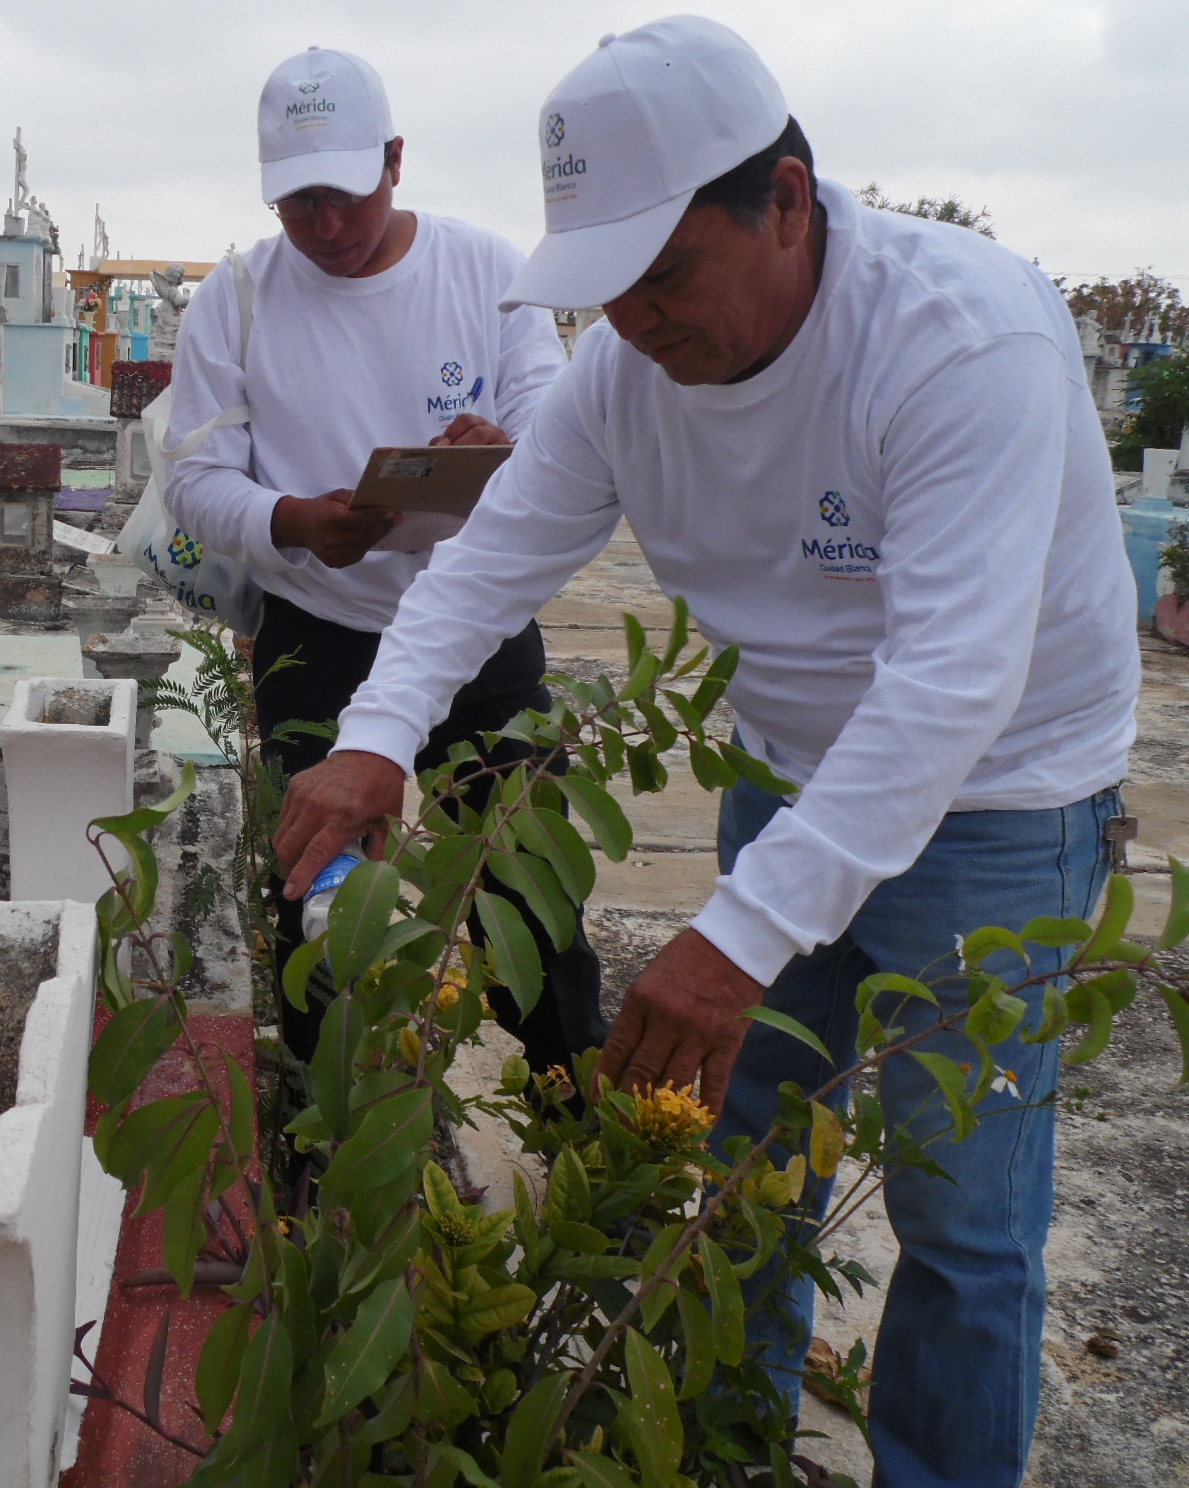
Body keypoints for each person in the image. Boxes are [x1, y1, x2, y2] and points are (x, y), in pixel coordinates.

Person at [274, 18, 1138, 1488]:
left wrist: (737, 937)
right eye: (606, 290)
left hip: (1004, 797)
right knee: (734, 1169)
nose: (636, 324)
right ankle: (732, 1452)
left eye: (664, 275)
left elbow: (950, 684)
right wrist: (372, 741)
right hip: (789, 768)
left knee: (966, 1225)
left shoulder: (958, 341)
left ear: (787, 201)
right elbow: (482, 572)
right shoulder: (621, 377)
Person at [165, 45, 607, 1075]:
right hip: (314, 633)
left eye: (343, 196)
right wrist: (291, 519)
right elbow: (195, 477)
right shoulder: (234, 298)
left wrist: (496, 445)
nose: (322, 226)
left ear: (395, 161)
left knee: (525, 890)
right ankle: (329, 1132)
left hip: (470, 626)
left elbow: (554, 416)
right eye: (296, 203)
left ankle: (571, 1104)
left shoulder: (487, 270)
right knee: (315, 895)